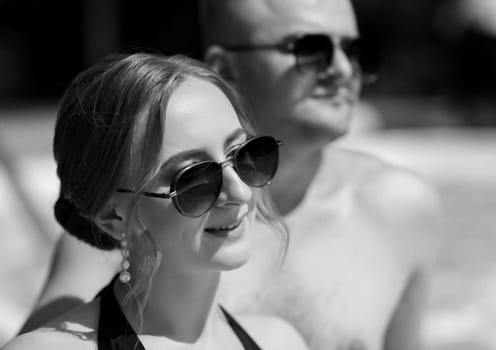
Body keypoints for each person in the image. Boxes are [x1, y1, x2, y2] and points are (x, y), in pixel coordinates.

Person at [20, 0, 442, 349]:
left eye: (352, 50)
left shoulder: (400, 208)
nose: (343, 70)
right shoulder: (101, 240)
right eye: (310, 48)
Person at [5, 53, 307, 350]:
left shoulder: (280, 341)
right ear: (113, 216)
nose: (240, 193)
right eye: (193, 179)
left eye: (244, 156)